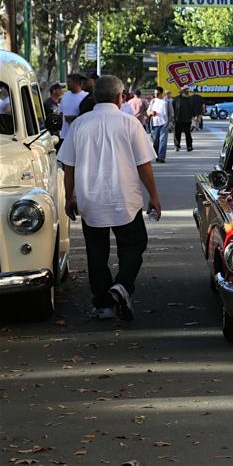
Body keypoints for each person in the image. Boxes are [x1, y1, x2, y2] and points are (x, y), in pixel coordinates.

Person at [57, 75, 161, 321]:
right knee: (134, 244)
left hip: (89, 199)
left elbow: (68, 166)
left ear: (94, 97)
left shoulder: (80, 124)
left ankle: (103, 305)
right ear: (120, 97)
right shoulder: (130, 123)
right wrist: (154, 196)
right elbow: (143, 165)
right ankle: (123, 285)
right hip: (125, 199)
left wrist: (69, 197)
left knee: (96, 253)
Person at [58, 74, 88, 141]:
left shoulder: (85, 96)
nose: (67, 84)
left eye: (69, 82)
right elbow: (60, 112)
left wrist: (74, 118)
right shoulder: (65, 95)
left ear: (76, 83)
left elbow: (88, 116)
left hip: (79, 136)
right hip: (65, 135)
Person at [147, 87, 169, 163]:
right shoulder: (153, 101)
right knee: (155, 141)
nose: (156, 95)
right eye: (155, 93)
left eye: (157, 93)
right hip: (154, 124)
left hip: (163, 124)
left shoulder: (166, 102)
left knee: (163, 141)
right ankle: (156, 155)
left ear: (161, 93)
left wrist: (169, 122)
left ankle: (161, 157)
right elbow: (148, 112)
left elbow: (171, 113)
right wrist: (151, 113)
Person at [172, 86, 194, 151]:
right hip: (178, 119)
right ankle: (177, 146)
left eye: (188, 92)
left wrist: (194, 117)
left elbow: (193, 109)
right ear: (182, 92)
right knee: (177, 134)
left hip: (187, 119)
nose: (187, 93)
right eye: (186, 92)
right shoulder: (176, 99)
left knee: (188, 134)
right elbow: (172, 108)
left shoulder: (190, 99)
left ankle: (189, 146)